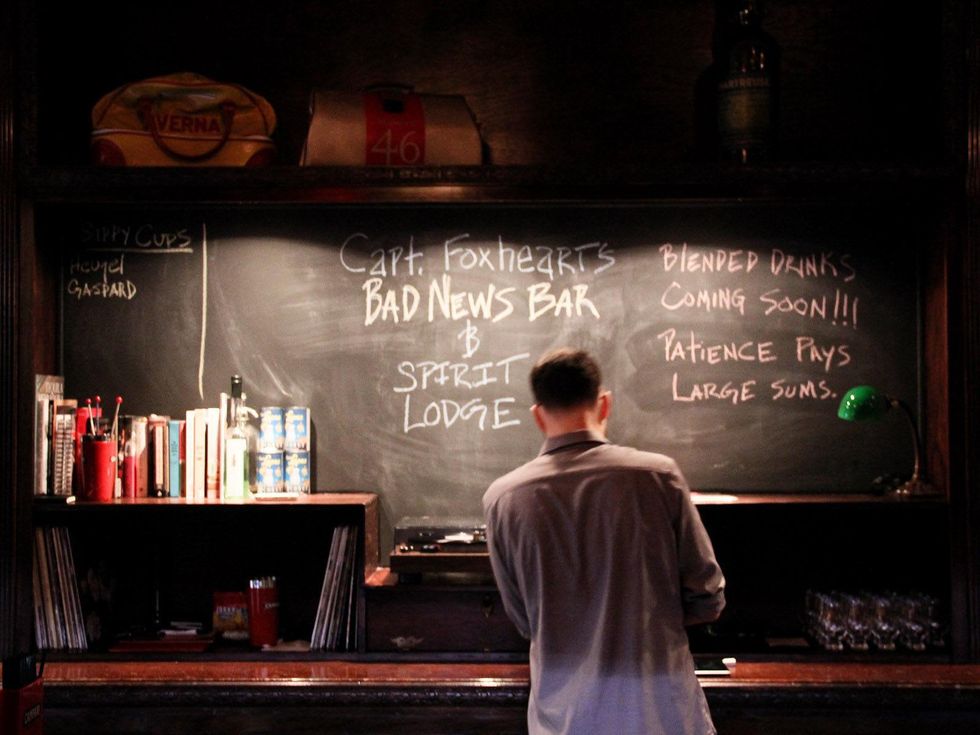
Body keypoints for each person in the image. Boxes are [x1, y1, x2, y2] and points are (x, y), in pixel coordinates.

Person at [482, 347, 726, 735]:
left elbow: (525, 620)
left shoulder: (503, 498)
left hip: (564, 720)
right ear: (604, 403)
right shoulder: (659, 476)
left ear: (538, 416)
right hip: (661, 717)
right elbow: (708, 596)